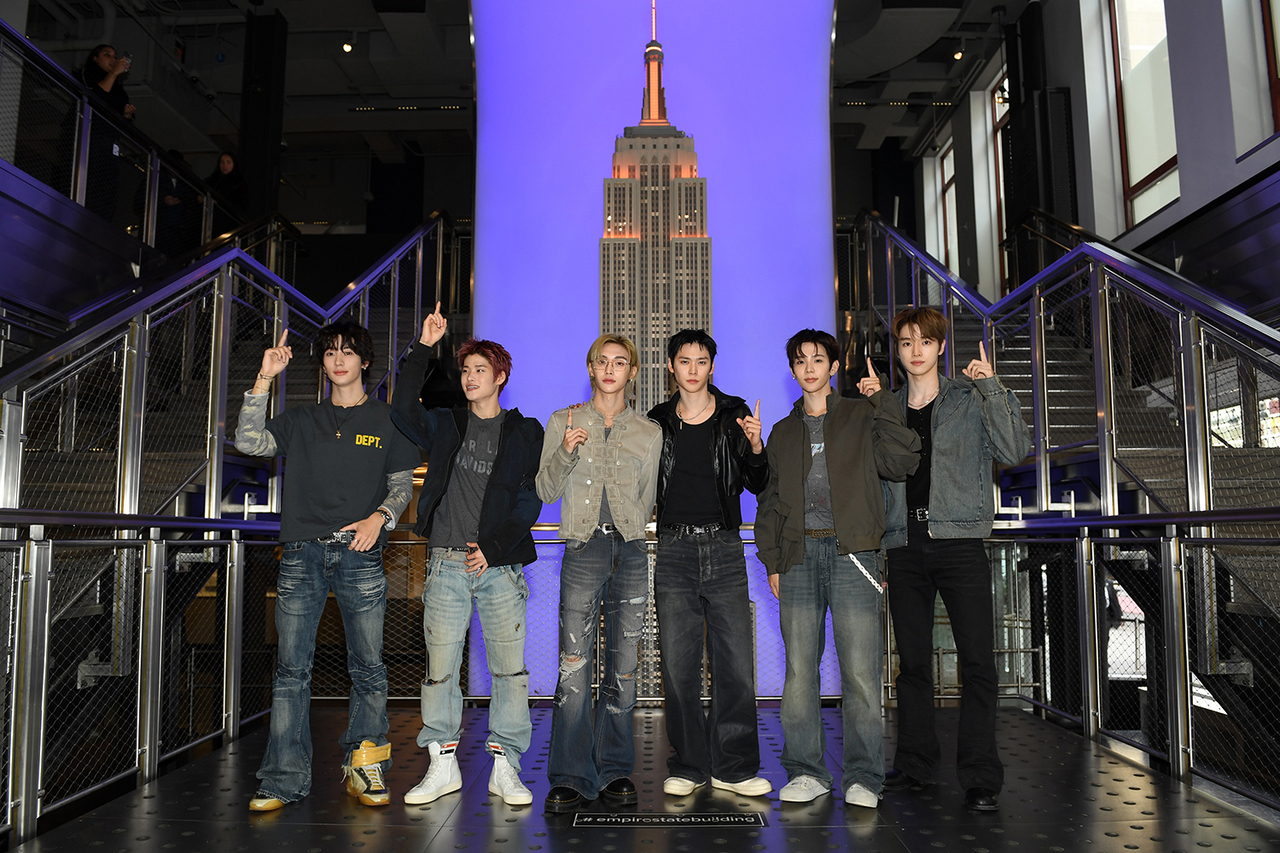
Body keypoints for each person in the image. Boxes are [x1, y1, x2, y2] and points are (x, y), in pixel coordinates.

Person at [234, 321, 421, 812]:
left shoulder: (389, 419)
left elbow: (402, 486)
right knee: (291, 671)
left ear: (365, 361)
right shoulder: (301, 419)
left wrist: (379, 518)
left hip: (360, 553)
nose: (339, 360)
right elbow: (249, 442)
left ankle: (367, 767)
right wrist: (263, 379)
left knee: (370, 668)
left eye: (348, 352)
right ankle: (282, 779)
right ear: (322, 363)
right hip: (301, 553)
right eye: (330, 353)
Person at [755, 330, 920, 807]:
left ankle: (865, 777)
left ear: (833, 367)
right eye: (801, 360)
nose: (810, 367)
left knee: (862, 675)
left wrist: (885, 402)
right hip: (799, 557)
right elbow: (770, 500)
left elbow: (901, 463)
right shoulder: (783, 432)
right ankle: (806, 771)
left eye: (819, 359)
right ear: (793, 371)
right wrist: (774, 561)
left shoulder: (861, 414)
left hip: (855, 555)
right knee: (799, 672)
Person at [389, 303, 544, 807]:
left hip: (497, 567)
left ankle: (506, 767)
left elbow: (530, 497)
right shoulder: (446, 425)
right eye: (465, 370)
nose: (471, 377)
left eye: (481, 370)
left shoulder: (525, 431)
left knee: (509, 672)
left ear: (501, 376)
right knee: (439, 670)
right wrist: (422, 348)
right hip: (445, 564)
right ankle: (442, 764)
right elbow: (400, 410)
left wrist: (493, 549)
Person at [880, 307, 1031, 812]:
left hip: (960, 542)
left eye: (925, 341)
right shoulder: (889, 407)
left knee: (978, 664)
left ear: (941, 347)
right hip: (904, 544)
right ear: (898, 351)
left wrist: (992, 387)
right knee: (914, 666)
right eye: (906, 342)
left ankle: (981, 776)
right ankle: (917, 765)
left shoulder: (969, 397)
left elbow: (1014, 450)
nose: (916, 350)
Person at [536, 334, 663, 813]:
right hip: (583, 548)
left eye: (619, 362)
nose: (610, 369)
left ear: (632, 372)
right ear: (590, 368)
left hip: (630, 549)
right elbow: (545, 490)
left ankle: (613, 770)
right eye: (601, 362)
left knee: (624, 667)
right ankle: (570, 773)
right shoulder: (563, 421)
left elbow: (648, 497)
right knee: (574, 664)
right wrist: (567, 450)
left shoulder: (649, 432)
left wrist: (631, 530)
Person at [646, 329, 770, 798]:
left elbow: (758, 483)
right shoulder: (657, 420)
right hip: (673, 548)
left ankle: (734, 767)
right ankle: (689, 764)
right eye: (685, 361)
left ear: (712, 367)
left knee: (735, 661)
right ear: (672, 367)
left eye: (702, 361)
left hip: (723, 546)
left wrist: (757, 448)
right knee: (678, 666)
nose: (693, 369)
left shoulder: (734, 415)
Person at [76, 44, 136, 222]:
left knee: (107, 188)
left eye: (115, 56)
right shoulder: (88, 74)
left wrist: (126, 115)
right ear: (95, 58)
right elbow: (96, 97)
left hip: (109, 142)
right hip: (88, 137)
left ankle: (97, 223)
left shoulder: (119, 89)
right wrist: (114, 73)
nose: (113, 59)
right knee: (88, 184)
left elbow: (123, 121)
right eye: (107, 55)